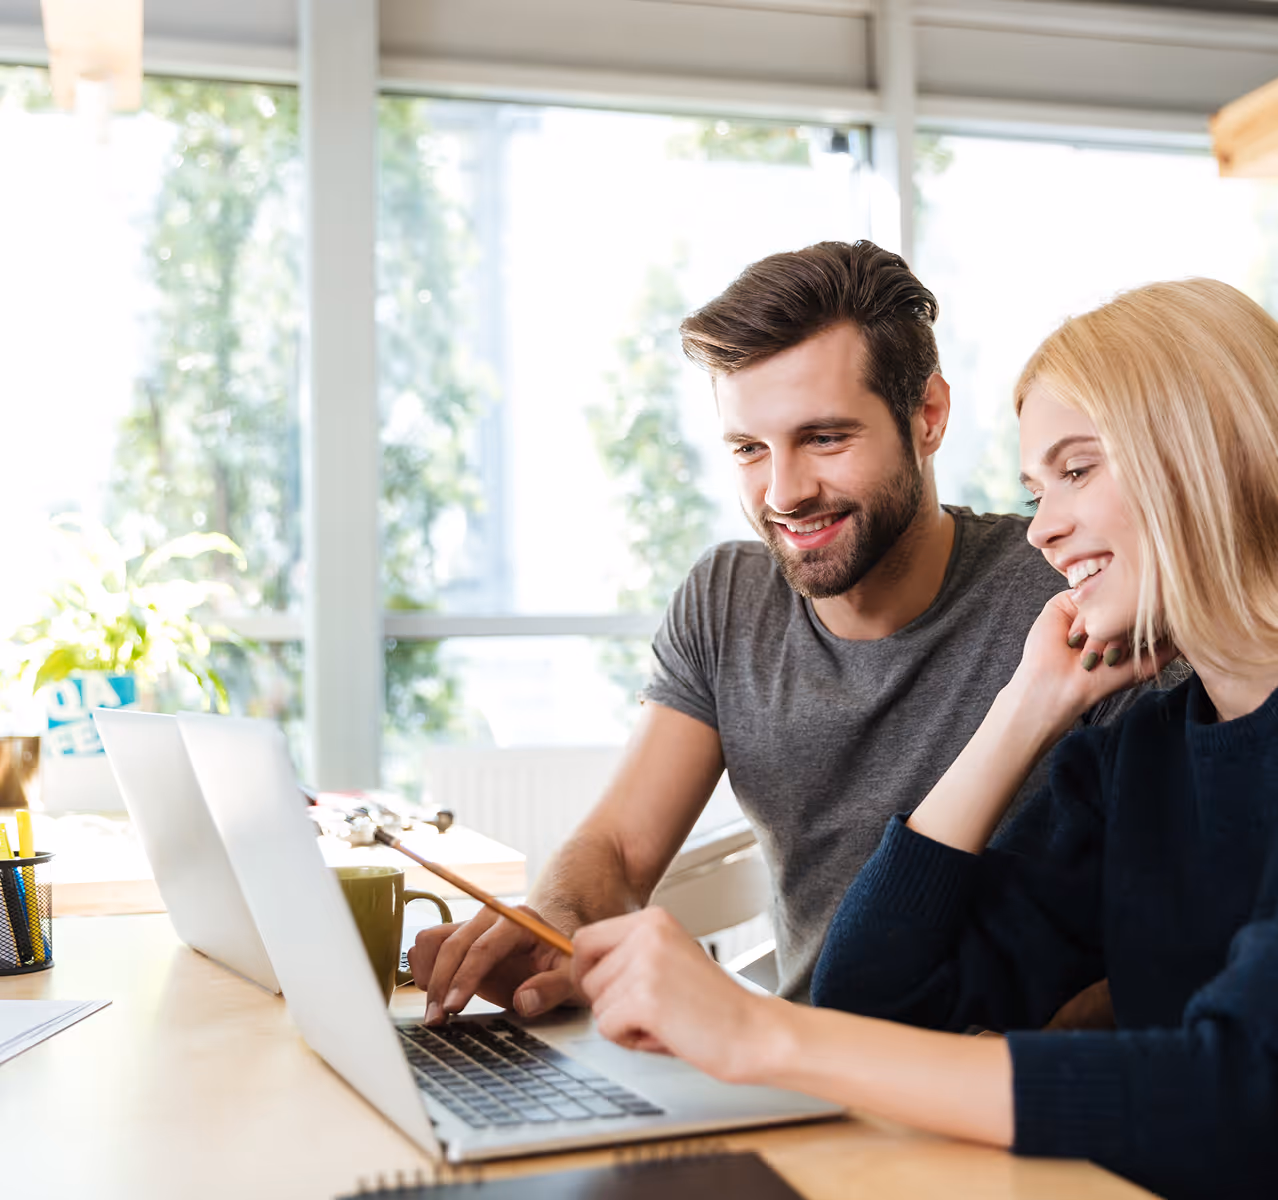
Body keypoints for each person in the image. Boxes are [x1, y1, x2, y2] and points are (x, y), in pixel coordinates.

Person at [571, 278, 1278, 1200]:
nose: (1045, 530)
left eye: (1077, 470)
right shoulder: (1136, 753)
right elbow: (876, 996)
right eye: (1036, 486)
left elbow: (1237, 1096)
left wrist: (761, 1035)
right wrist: (1025, 706)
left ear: (1208, 454)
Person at [409, 240, 1130, 1022]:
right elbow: (619, 849)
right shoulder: (729, 599)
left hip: (992, 1091)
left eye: (825, 439)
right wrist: (556, 918)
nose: (783, 494)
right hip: (786, 1067)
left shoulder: (1071, 592)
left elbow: (1159, 948)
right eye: (750, 449)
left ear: (927, 416)